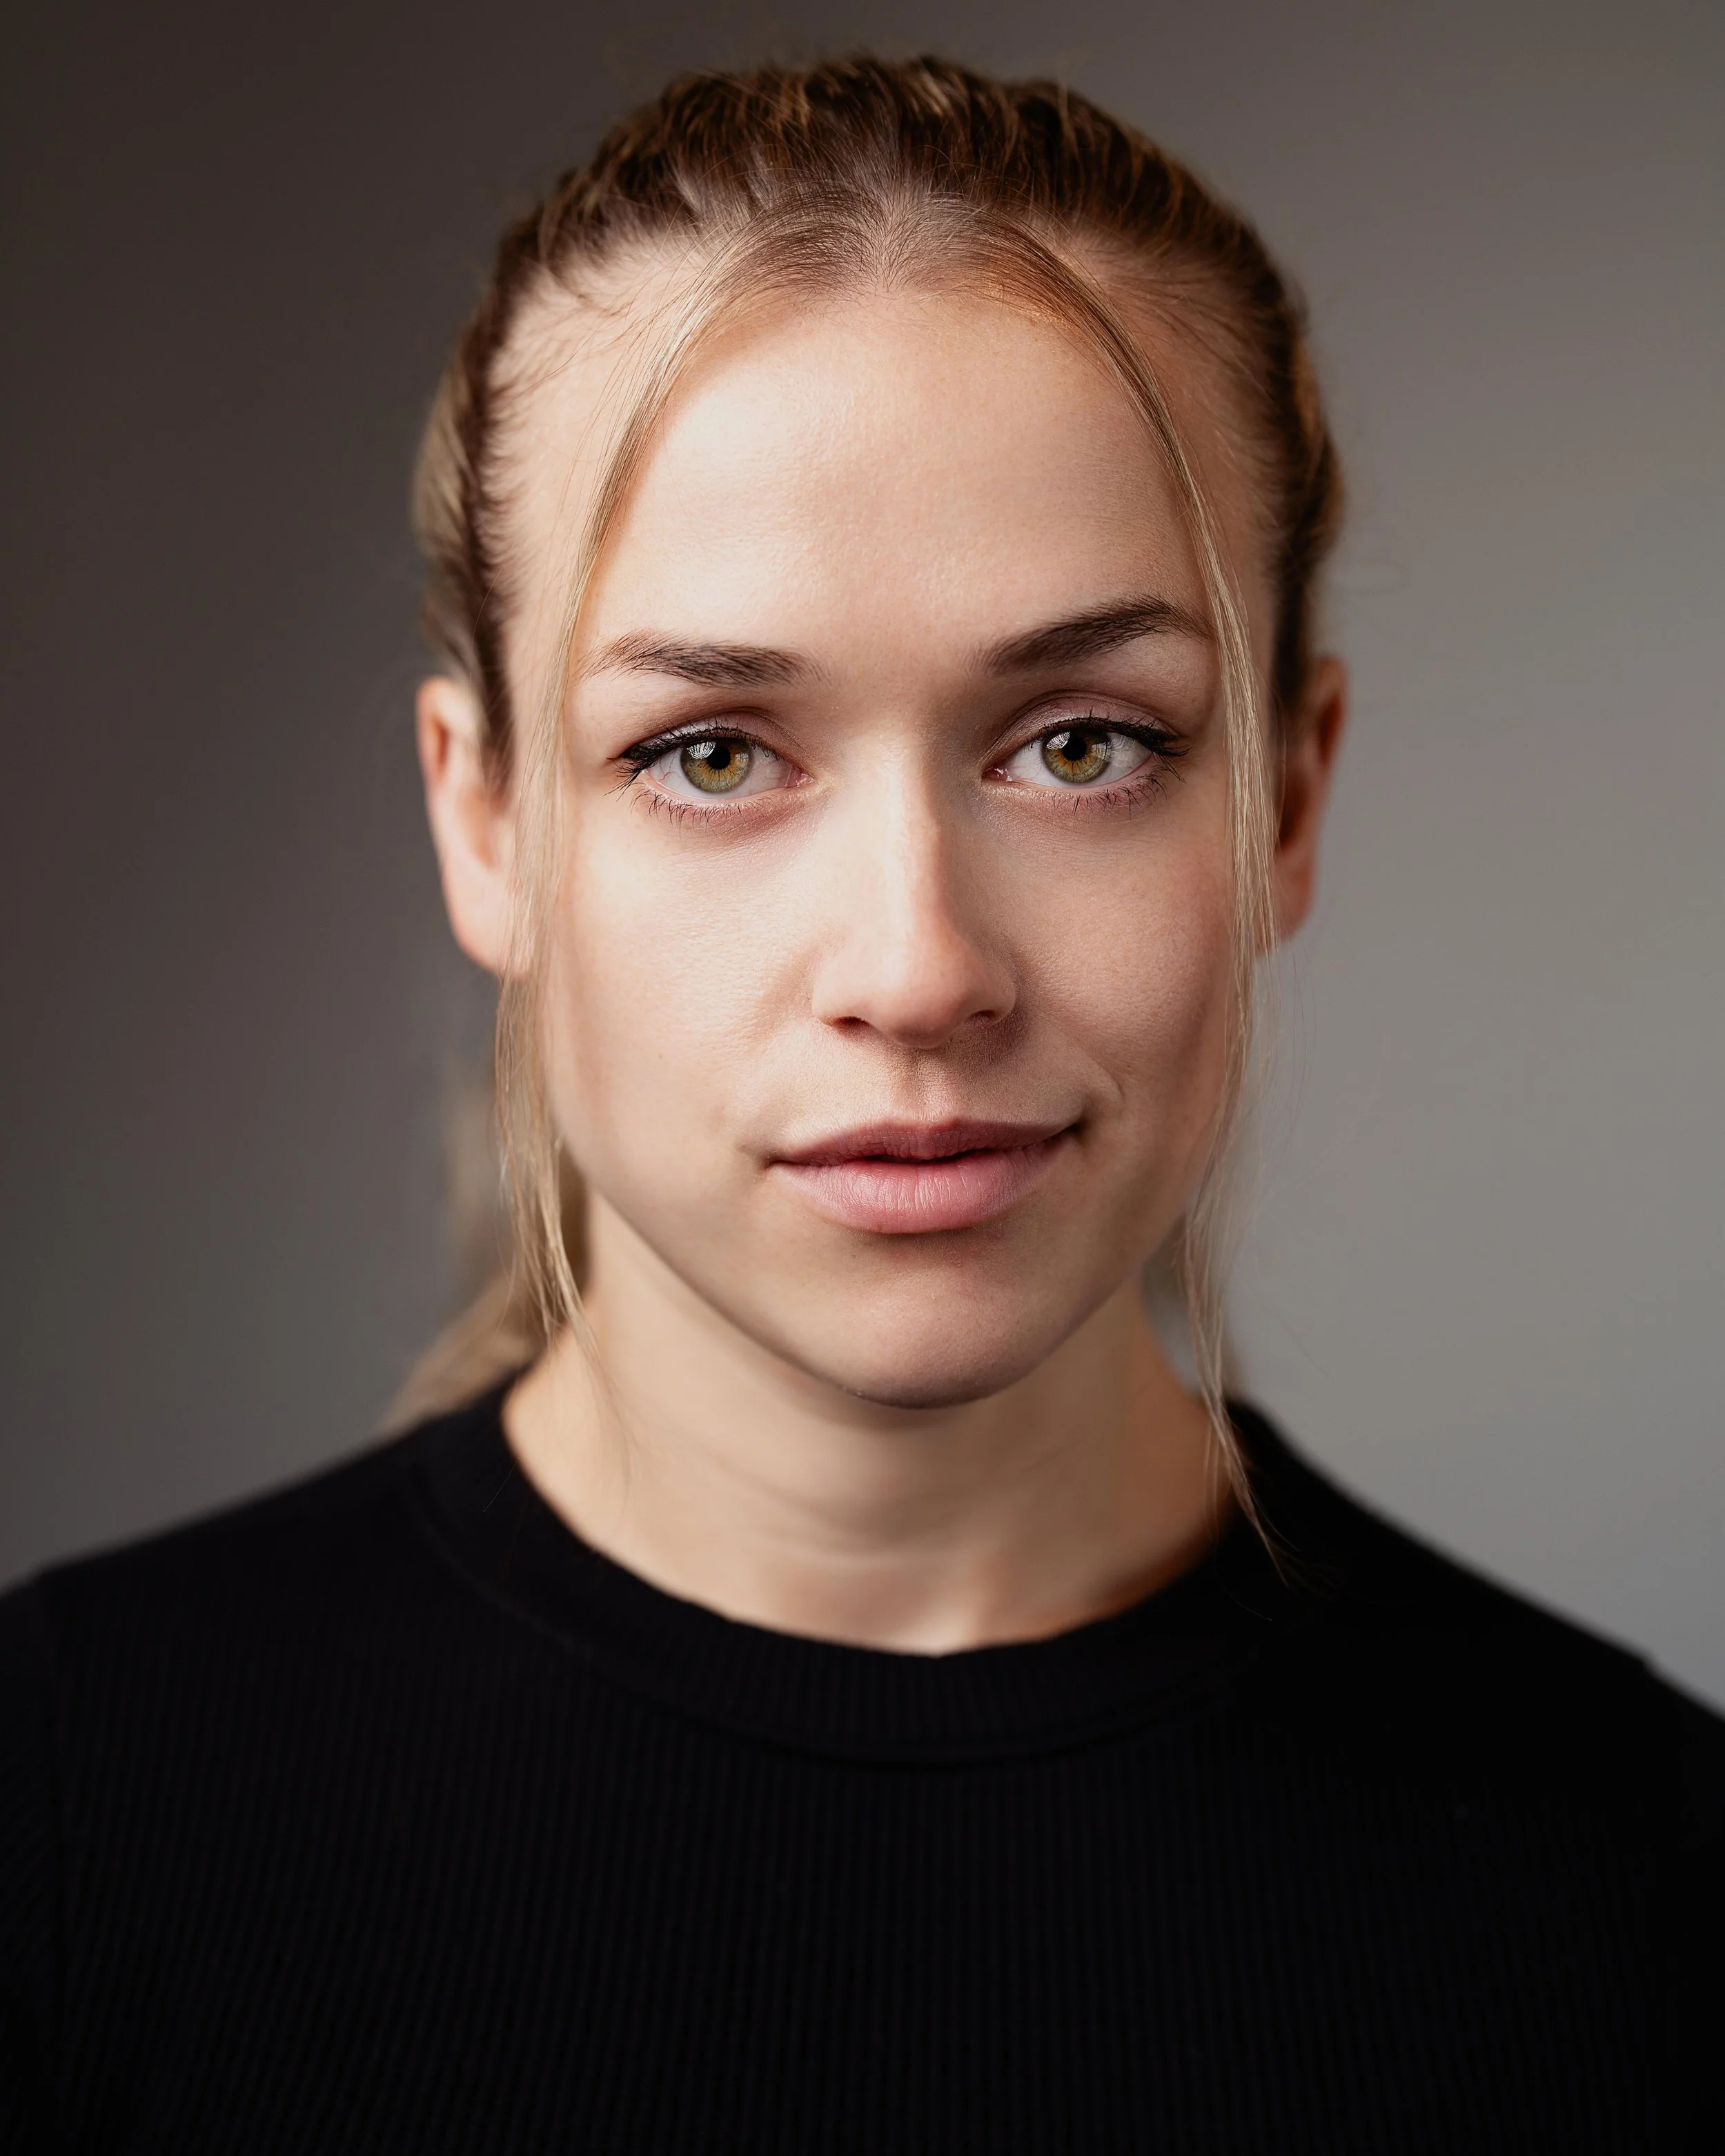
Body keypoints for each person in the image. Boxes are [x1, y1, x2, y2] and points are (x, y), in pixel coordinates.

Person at [1, 55, 1717, 2154]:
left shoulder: (1653, 1902)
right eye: (711, 752)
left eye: (1080, 744)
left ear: (1289, 794)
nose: (914, 969)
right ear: (485, 822)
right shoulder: (59, 1820)